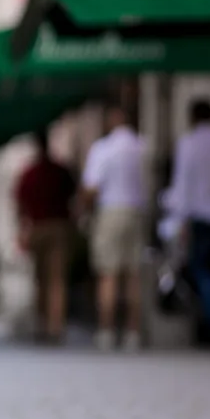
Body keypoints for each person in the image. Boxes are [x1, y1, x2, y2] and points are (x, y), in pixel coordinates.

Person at [82, 105, 147, 351]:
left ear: (112, 121)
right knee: (132, 276)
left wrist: (85, 207)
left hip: (110, 211)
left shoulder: (104, 148)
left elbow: (92, 187)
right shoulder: (143, 147)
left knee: (108, 274)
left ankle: (107, 331)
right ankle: (133, 333)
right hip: (136, 212)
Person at [170, 98, 210, 347]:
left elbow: (183, 185)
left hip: (203, 217)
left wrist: (178, 220)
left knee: (204, 272)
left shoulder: (189, 144)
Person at [15, 131, 77, 344]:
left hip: (38, 227)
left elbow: (20, 204)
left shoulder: (29, 173)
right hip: (59, 226)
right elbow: (72, 195)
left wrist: (23, 230)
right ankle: (55, 326)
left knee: (41, 279)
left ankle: (43, 323)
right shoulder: (60, 171)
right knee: (56, 280)